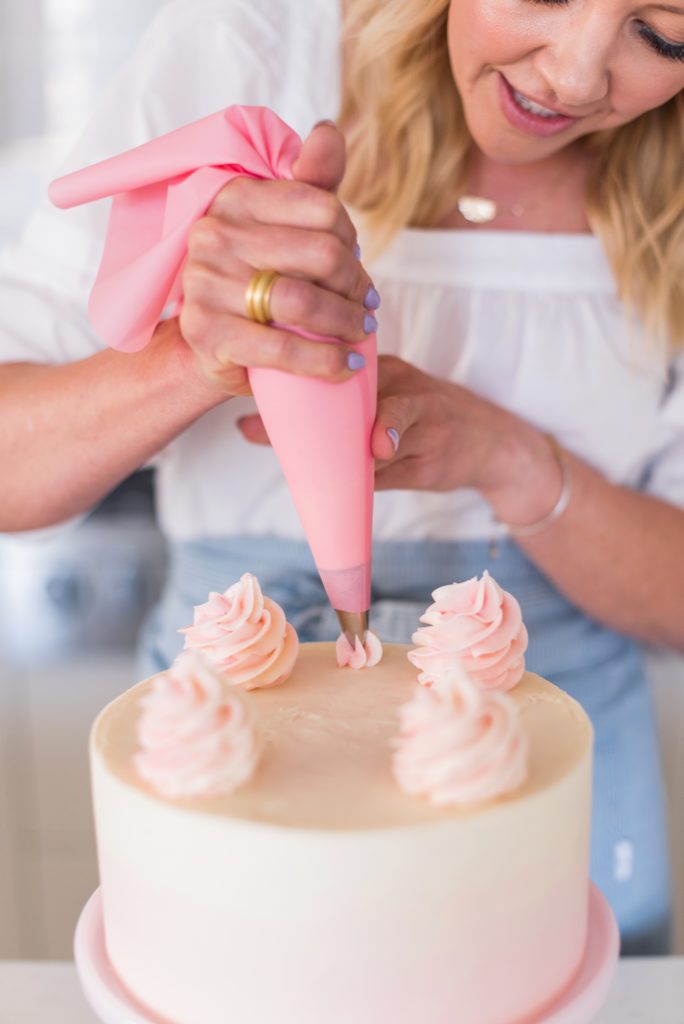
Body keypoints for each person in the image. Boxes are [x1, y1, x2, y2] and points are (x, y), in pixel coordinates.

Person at [1, 0, 683, 955]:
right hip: (227, 752)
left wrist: (513, 462)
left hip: (565, 784)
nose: (573, 76)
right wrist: (202, 350)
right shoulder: (246, 51)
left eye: (662, 35)